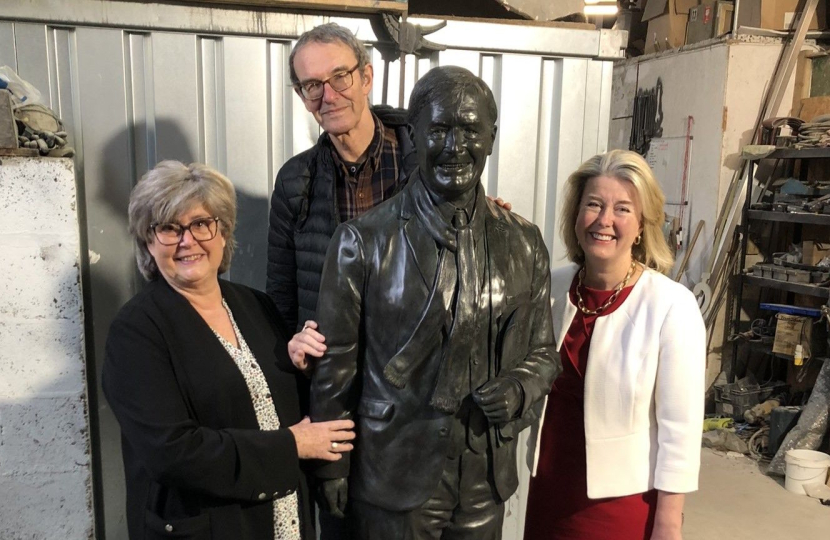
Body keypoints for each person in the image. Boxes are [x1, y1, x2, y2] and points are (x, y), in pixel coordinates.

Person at [308, 66, 560, 540]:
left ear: (492, 136)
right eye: (439, 130)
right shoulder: (362, 242)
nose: (454, 147)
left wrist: (519, 389)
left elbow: (544, 354)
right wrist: (332, 467)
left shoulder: (525, 242)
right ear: (414, 136)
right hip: (393, 471)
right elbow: (336, 366)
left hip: (484, 475)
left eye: (470, 130)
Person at [102, 160, 355, 540]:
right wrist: (292, 446)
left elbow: (270, 407)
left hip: (283, 523)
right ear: (148, 242)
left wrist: (303, 370)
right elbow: (173, 454)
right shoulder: (136, 332)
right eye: (170, 228)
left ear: (222, 233)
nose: (188, 240)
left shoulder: (256, 306)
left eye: (201, 223)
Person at [523, 150, 705, 540]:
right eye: (593, 204)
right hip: (548, 493)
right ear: (576, 215)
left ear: (641, 225)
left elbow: (680, 429)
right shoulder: (550, 288)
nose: (604, 220)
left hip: (621, 506)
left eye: (622, 209)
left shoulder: (670, 305)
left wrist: (668, 524)